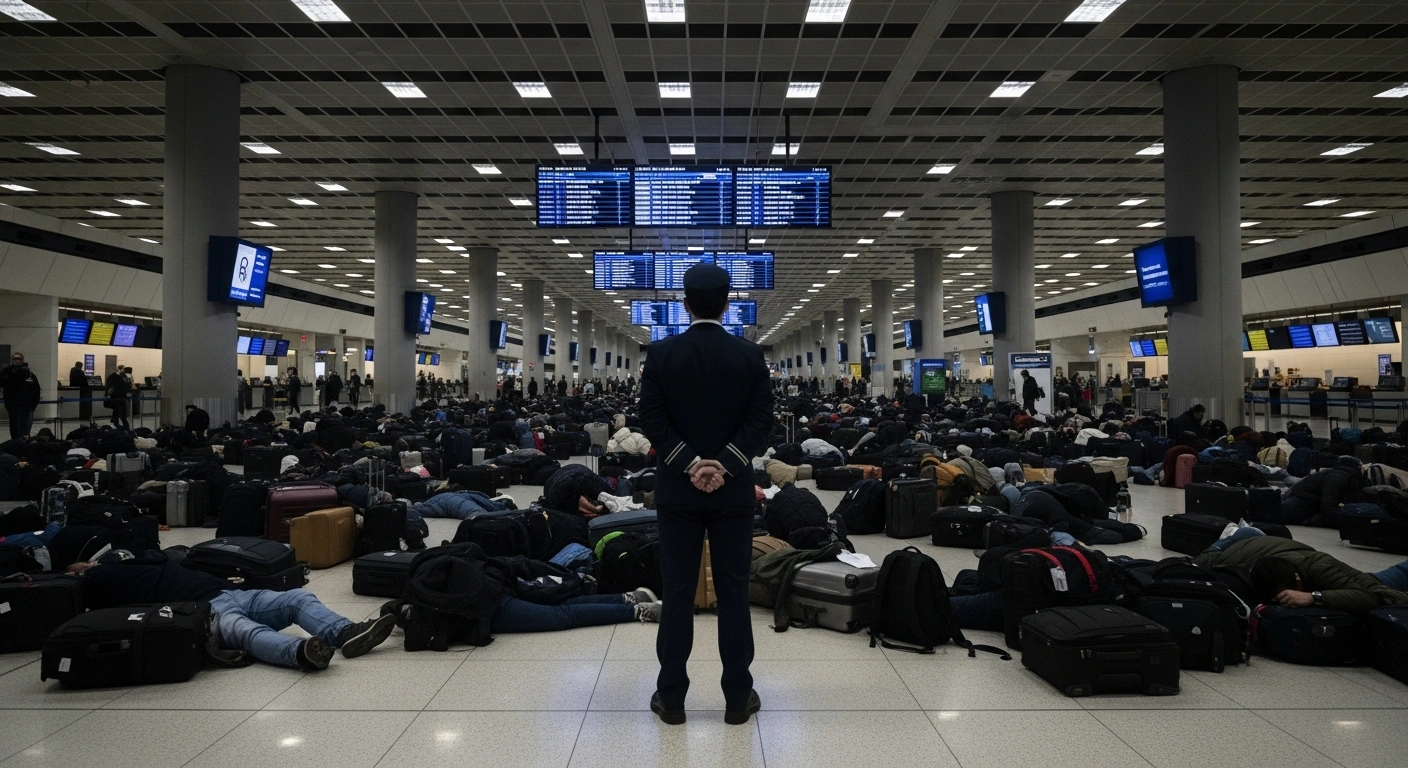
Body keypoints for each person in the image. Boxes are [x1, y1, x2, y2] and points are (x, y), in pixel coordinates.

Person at [638, 263, 773, 727]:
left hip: (678, 490)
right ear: (728, 302)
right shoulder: (750, 357)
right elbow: (759, 425)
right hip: (733, 491)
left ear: (685, 303)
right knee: (734, 593)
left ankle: (671, 699)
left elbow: (653, 421)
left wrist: (691, 464)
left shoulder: (661, 355)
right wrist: (725, 464)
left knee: (677, 594)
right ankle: (738, 698)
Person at [66, 556, 397, 670]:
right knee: (244, 632)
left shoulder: (129, 561)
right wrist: (81, 574)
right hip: (202, 610)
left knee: (297, 597)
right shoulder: (97, 579)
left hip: (232, 593)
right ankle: (300, 653)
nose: (89, 564)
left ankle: (344, 633)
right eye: (82, 566)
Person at [1193, 529, 1408, 613]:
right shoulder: (1248, 575)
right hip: (1248, 543)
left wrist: (1312, 597)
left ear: (1298, 578)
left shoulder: (1317, 565)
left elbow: (1370, 597)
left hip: (1366, 585)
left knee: (1388, 583)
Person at [1255, 456, 1364, 526]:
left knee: (1270, 512)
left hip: (1302, 501)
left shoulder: (1341, 476)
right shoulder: (1339, 477)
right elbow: (1328, 506)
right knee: (1271, 515)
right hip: (1300, 503)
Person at [1, 352, 41, 439]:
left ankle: (23, 443)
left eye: (19, 359)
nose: (17, 360)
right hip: (12, 404)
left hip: (26, 405)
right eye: (15, 358)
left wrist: (33, 404)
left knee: (25, 427)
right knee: (14, 426)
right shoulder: (7, 372)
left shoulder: (28, 373)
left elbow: (36, 389)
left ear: (22, 360)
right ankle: (16, 443)